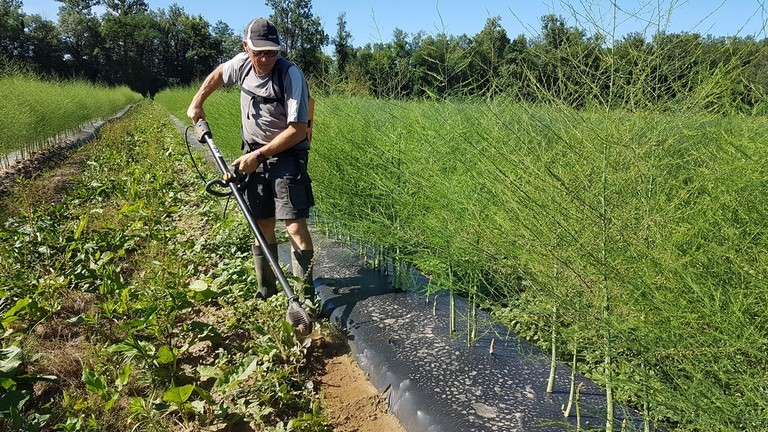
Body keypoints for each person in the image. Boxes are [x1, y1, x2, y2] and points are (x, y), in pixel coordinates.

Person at [187, 17, 315, 302]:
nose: (266, 58)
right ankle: (267, 290)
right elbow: (219, 73)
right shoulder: (242, 65)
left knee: (294, 224)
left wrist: (258, 156)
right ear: (246, 47)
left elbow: (298, 130)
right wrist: (198, 101)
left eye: (272, 52)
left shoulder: (290, 75)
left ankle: (305, 297)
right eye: (259, 52)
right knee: (261, 223)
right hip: (253, 152)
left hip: (287, 153)